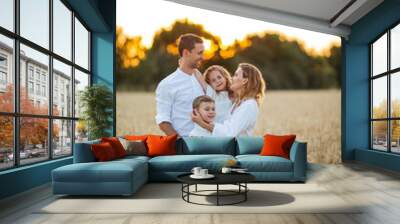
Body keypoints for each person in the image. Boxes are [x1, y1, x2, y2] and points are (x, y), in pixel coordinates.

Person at [192, 63, 266, 137]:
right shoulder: (237, 103)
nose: (232, 78)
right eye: (213, 80)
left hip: (235, 147)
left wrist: (202, 123)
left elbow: (229, 132)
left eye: (236, 75)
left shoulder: (249, 105)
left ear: (244, 81)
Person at [155, 33, 205, 137]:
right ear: (186, 53)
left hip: (207, 142)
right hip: (184, 144)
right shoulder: (167, 84)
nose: (203, 57)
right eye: (199, 53)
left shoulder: (201, 80)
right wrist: (181, 143)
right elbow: (163, 121)